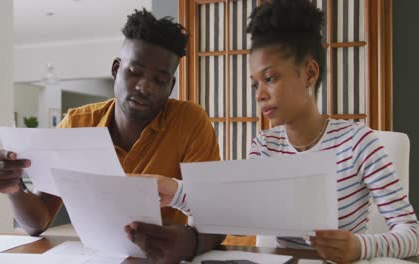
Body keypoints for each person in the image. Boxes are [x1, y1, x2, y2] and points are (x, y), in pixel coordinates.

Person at [160, 0, 419, 263]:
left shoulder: (358, 143)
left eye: (270, 79)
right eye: (255, 84)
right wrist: (176, 191)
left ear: (309, 73)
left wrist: (359, 247)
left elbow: (412, 234)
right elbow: (235, 210)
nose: (260, 95)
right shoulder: (265, 146)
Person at [0, 9, 225, 263]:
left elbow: (219, 214)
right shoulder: (77, 123)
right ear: (116, 69)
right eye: (135, 72)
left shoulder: (189, 121)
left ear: (171, 87)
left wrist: (190, 242)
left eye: (160, 79)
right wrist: (14, 188)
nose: (145, 87)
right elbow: (38, 222)